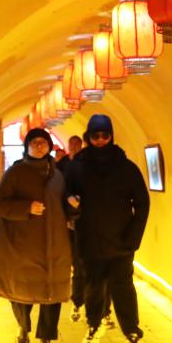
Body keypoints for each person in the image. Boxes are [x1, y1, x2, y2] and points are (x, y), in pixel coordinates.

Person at [65, 114, 150, 343]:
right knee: (93, 285)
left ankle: (132, 332)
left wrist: (134, 237)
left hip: (121, 240)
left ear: (111, 136)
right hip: (90, 237)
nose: (101, 140)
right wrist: (71, 206)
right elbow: (65, 195)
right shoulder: (78, 167)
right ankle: (94, 324)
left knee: (123, 287)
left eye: (105, 135)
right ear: (89, 137)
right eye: (96, 136)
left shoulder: (126, 167)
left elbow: (142, 203)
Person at [0, 127, 72, 343]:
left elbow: (62, 204)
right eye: (34, 142)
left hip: (54, 244)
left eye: (43, 142)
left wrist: (73, 207)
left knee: (52, 294)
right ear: (27, 147)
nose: (39, 146)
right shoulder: (15, 173)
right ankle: (23, 327)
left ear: (50, 146)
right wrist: (26, 208)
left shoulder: (57, 175)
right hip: (24, 245)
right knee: (21, 291)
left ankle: (45, 342)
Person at [56, 134, 113, 326]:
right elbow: (60, 191)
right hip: (75, 225)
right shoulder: (64, 166)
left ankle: (104, 310)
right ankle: (78, 303)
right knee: (79, 267)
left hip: (98, 227)